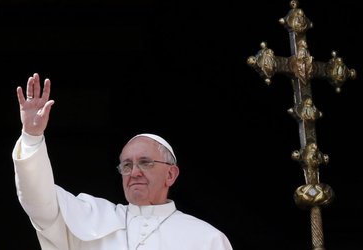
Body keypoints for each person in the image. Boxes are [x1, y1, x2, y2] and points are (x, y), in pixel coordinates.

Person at [12, 73, 234, 250]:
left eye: (145, 163)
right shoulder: (92, 217)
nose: (134, 172)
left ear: (171, 174)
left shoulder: (207, 240)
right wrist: (32, 137)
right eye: (127, 165)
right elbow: (40, 202)